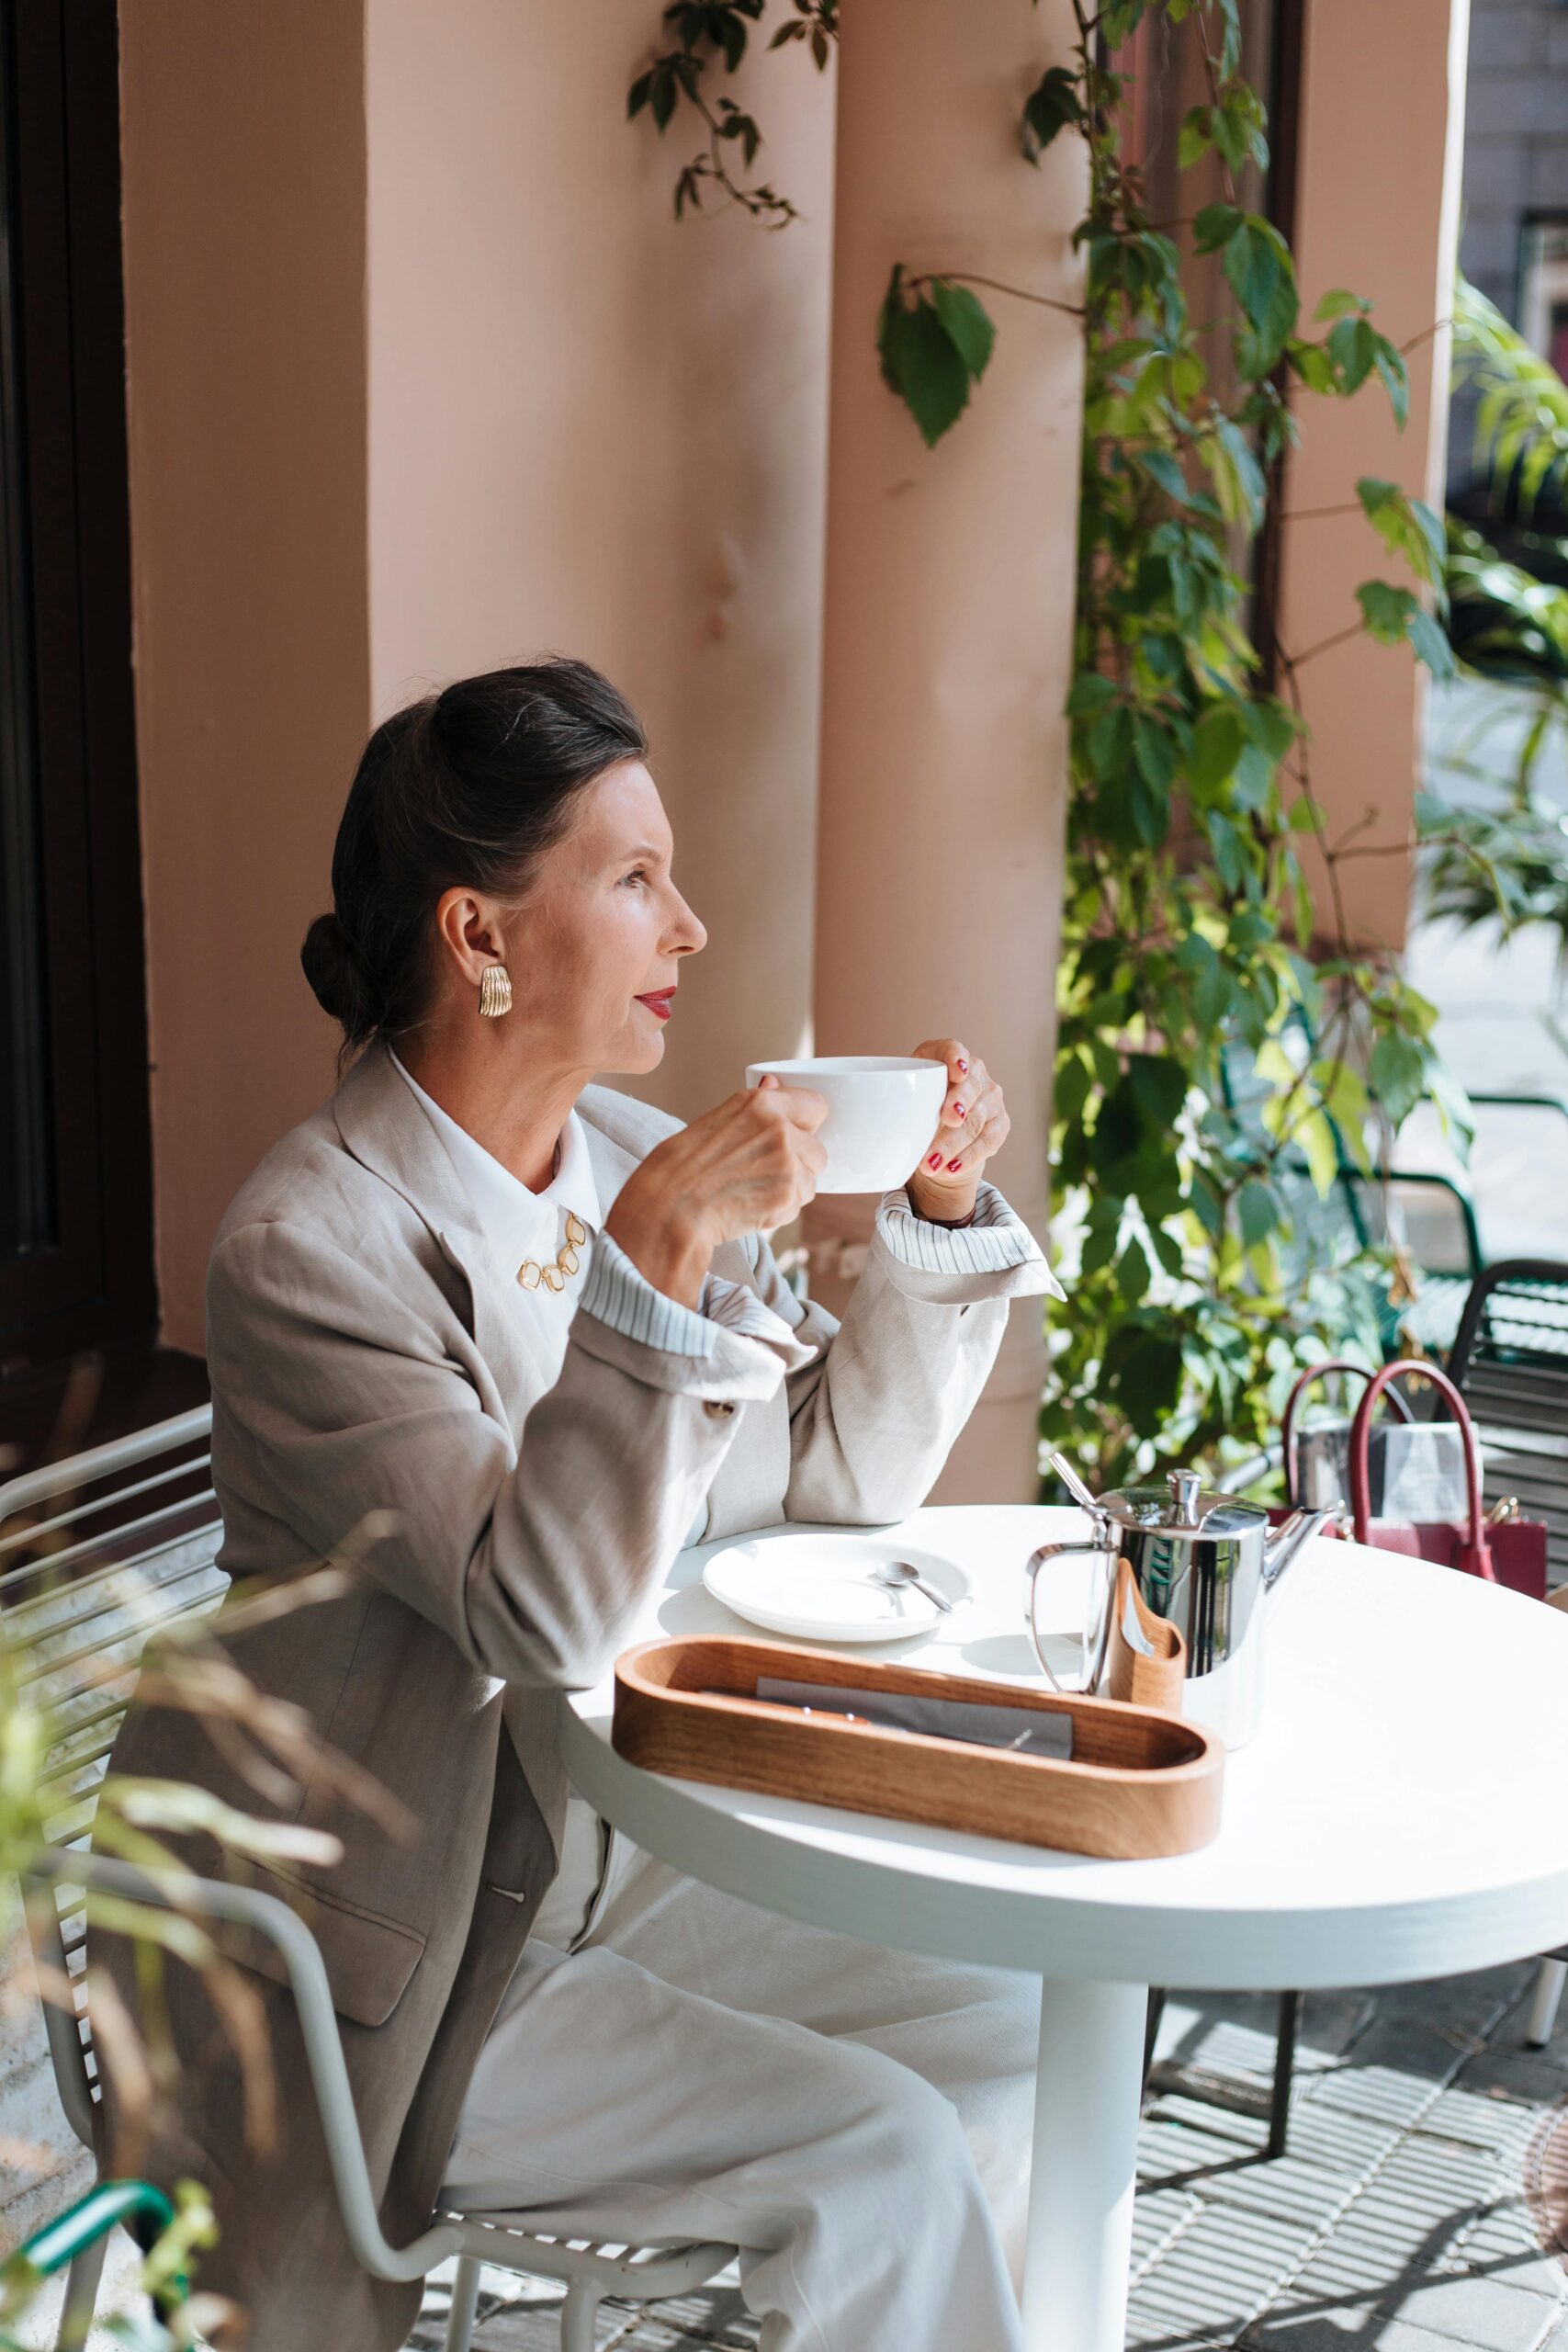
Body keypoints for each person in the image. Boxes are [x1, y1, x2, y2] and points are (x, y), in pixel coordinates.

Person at [101, 659, 1064, 2352]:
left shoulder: (625, 1158)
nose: (687, 927)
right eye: (634, 880)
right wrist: (656, 1274)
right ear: (479, 940)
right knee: (887, 2156)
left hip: (638, 1852)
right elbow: (538, 1613)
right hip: (434, 1947)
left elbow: (831, 1476)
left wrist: (936, 1210)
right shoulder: (309, 1256)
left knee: (1021, 2019)